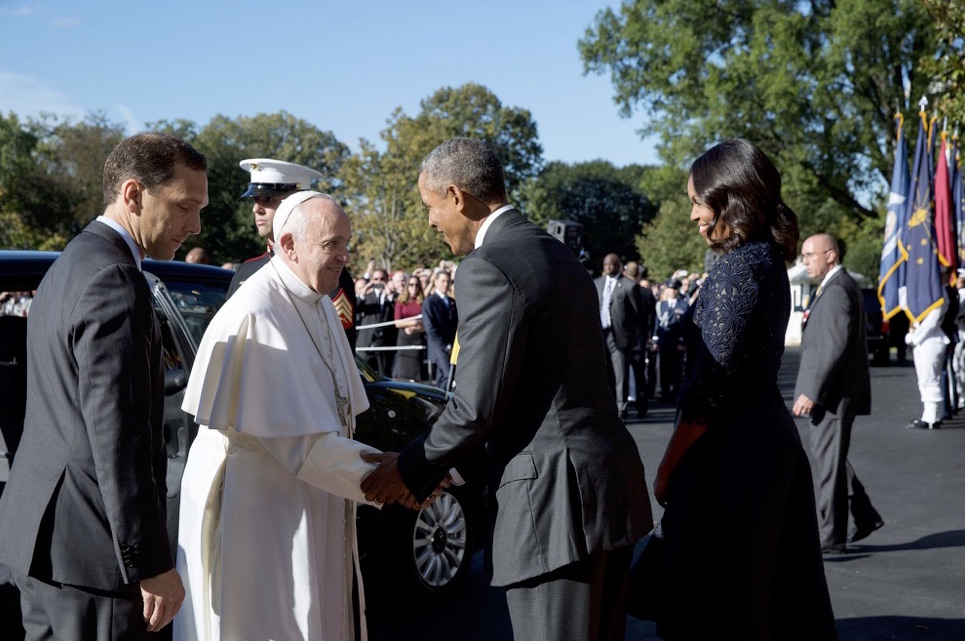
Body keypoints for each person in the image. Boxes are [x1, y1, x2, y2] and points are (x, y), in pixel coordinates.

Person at [360, 138, 652, 641]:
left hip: (556, 502)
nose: (430, 221)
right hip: (605, 489)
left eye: (430, 206)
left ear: (457, 196)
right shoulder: (558, 254)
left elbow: (476, 408)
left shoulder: (488, 265)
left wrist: (408, 469)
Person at [0, 132, 207, 639]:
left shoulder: (71, 263)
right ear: (133, 194)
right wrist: (149, 564)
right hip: (94, 558)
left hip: (43, 541)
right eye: (184, 205)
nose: (195, 225)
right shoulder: (114, 279)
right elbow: (119, 438)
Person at [174, 192, 386, 641]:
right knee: (272, 619)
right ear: (289, 245)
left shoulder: (319, 301)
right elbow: (300, 444)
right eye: (333, 244)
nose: (344, 257)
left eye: (347, 243)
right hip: (259, 507)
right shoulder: (256, 310)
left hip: (312, 492)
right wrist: (392, 474)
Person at [651, 139, 837, 640]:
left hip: (732, 458)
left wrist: (667, 468)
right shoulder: (764, 260)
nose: (692, 214)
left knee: (726, 609)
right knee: (762, 602)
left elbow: (708, 389)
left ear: (727, 198)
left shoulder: (739, 267)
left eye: (696, 200)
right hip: (760, 446)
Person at [793, 233, 883, 555]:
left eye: (809, 254)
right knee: (832, 460)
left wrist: (811, 392)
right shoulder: (834, 286)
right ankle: (865, 515)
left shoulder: (836, 290)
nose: (804, 261)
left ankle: (831, 539)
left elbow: (832, 347)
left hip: (830, 395)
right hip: (830, 393)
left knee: (829, 467)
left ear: (830, 255)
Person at [228, 158, 358, 348]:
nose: (257, 208)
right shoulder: (246, 271)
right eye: (255, 200)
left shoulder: (326, 269)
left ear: (297, 203)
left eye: (269, 199)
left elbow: (335, 351)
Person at [596, 253, 647, 419]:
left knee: (621, 375)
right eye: (605, 265)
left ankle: (621, 408)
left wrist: (635, 335)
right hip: (602, 334)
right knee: (604, 373)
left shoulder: (629, 286)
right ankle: (605, 406)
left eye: (611, 264)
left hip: (620, 336)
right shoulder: (598, 283)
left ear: (618, 265)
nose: (608, 268)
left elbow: (639, 314)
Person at [905, 286, 950, 430]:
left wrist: (915, 338)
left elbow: (932, 320)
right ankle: (932, 415)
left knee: (929, 380)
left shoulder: (939, 292)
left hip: (931, 340)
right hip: (924, 340)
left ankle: (931, 417)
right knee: (925, 380)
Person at [356, 269, 397, 376]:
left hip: (384, 343)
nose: (379, 282)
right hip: (366, 342)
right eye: (376, 279)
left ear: (387, 279)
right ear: (371, 281)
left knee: (384, 375)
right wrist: (362, 295)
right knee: (362, 375)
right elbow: (354, 309)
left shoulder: (394, 296)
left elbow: (397, 312)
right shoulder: (366, 296)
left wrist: (390, 297)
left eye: (382, 279)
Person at [421, 270, 457, 388]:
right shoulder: (429, 302)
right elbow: (430, 328)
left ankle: (439, 403)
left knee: (442, 377)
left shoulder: (451, 302)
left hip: (450, 345)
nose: (445, 284)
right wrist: (444, 345)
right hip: (438, 346)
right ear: (435, 282)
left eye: (448, 281)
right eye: (443, 281)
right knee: (448, 375)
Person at [654, 279, 688, 401]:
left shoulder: (683, 305)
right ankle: (664, 392)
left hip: (676, 341)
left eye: (674, 289)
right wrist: (655, 340)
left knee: (677, 368)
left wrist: (681, 342)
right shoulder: (660, 305)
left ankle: (676, 392)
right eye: (670, 288)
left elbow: (684, 326)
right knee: (663, 368)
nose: (672, 291)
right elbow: (656, 324)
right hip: (664, 341)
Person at [393, 274, 426, 381]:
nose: (414, 287)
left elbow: (427, 322)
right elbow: (397, 323)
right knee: (403, 371)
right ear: (407, 286)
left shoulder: (423, 301)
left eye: (417, 285)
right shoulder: (401, 300)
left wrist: (417, 327)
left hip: (418, 337)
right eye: (411, 285)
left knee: (416, 371)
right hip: (404, 338)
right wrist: (411, 323)